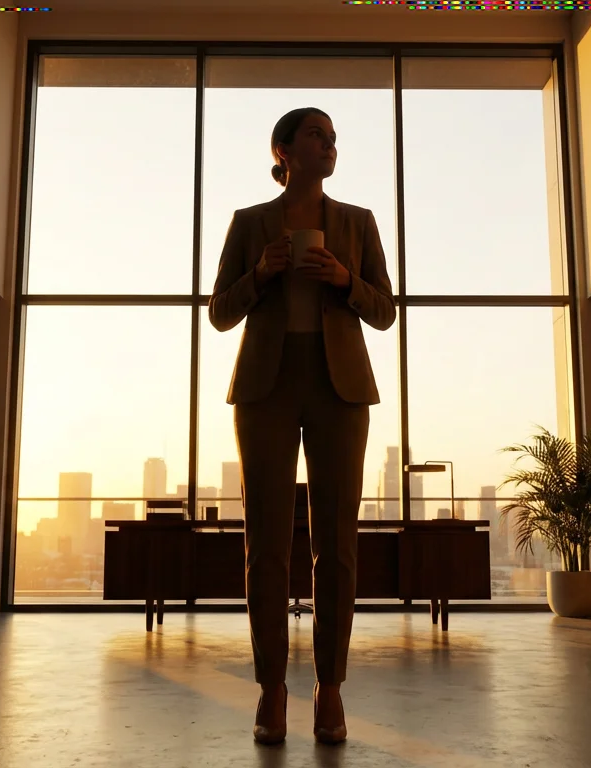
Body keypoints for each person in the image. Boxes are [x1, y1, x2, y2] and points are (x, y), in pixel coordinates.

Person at [207, 107, 396, 746]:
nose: (330, 143)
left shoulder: (358, 222)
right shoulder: (249, 223)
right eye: (317, 134)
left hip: (339, 388)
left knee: (336, 544)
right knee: (265, 543)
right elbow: (219, 313)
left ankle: (331, 690)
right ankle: (270, 691)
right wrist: (261, 273)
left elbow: (386, 311)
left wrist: (344, 279)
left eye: (334, 137)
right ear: (283, 150)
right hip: (266, 385)